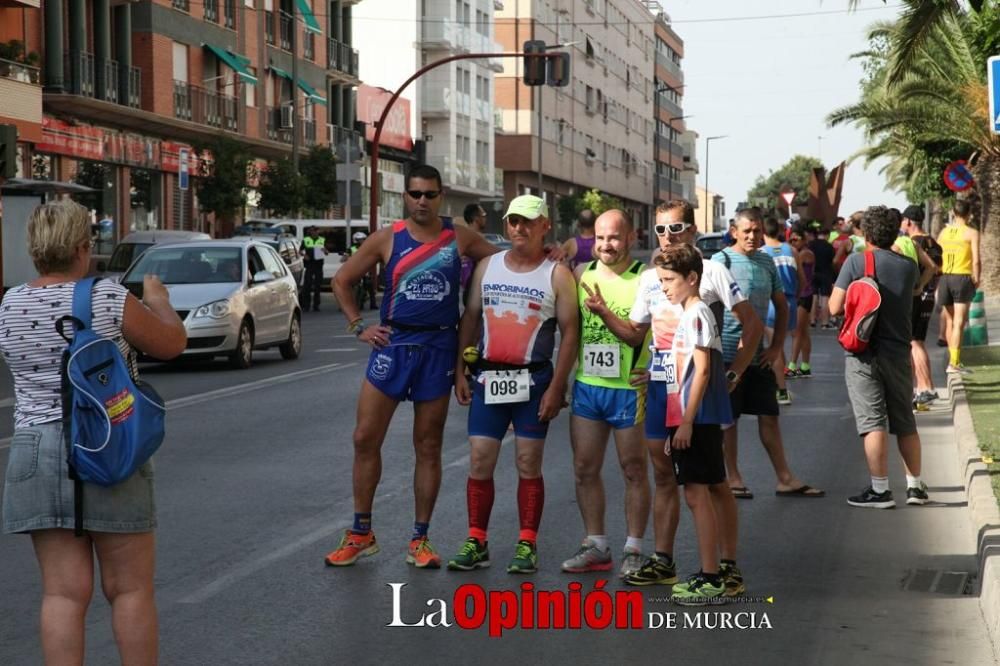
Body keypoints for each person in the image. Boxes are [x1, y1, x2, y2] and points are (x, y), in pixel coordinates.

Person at [0, 199, 186, 664]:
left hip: (36, 450)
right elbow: (170, 343)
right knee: (128, 589)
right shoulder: (106, 296)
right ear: (83, 247)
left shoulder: (10, 302)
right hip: (106, 445)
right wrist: (158, 299)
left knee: (62, 594)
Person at [325, 164, 498, 569]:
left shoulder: (460, 237)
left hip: (439, 345)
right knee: (365, 438)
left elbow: (503, 265)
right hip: (393, 345)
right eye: (415, 193)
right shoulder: (389, 238)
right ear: (405, 195)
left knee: (428, 445)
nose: (422, 200)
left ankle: (420, 539)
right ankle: (361, 532)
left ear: (441, 197)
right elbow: (342, 280)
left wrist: (546, 257)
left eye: (430, 194)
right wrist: (358, 327)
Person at [590, 200, 761, 595]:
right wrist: (603, 315)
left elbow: (751, 328)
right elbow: (636, 332)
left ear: (693, 229)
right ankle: (663, 560)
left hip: (697, 394)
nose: (668, 237)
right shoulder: (654, 277)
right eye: (661, 230)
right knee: (667, 473)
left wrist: (734, 372)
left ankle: (725, 566)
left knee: (711, 481)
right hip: (660, 390)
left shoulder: (710, 272)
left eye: (676, 228)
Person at [448, 195, 578, 573]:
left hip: (534, 381)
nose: (519, 229)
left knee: (527, 462)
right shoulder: (488, 266)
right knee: (479, 460)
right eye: (513, 222)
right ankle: (477, 540)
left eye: (527, 222)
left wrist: (557, 387)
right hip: (489, 378)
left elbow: (571, 334)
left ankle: (527, 543)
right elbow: (470, 318)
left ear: (544, 226)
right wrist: (460, 370)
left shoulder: (558, 274)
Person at [560, 209, 650, 578]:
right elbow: (570, 331)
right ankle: (596, 544)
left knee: (633, 470)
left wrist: (657, 366)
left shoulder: (646, 279)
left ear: (630, 238)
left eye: (613, 237)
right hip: (589, 387)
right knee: (584, 468)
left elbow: (646, 331)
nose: (606, 245)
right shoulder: (582, 275)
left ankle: (634, 548)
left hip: (628, 389)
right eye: (599, 238)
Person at [714, 208, 825, 500]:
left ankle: (785, 478)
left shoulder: (766, 260)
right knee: (729, 421)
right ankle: (733, 477)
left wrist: (776, 347)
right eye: (746, 230)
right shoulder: (720, 260)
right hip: (727, 355)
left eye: (756, 230)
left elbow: (783, 303)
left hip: (759, 355)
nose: (752, 236)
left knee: (769, 415)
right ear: (734, 232)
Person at [651, 243, 734, 604]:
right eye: (660, 280)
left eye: (669, 280)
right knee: (700, 493)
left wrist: (685, 422)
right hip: (688, 418)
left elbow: (701, 371)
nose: (664, 287)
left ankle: (710, 575)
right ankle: (712, 571)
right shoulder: (688, 312)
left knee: (697, 495)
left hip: (697, 419)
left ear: (692, 278)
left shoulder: (698, 312)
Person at [829, 205, 928, 508]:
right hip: (899, 352)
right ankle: (915, 487)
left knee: (873, 422)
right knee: (905, 421)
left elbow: (834, 307)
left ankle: (881, 489)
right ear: (895, 230)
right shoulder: (908, 266)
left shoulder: (856, 262)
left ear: (867, 233)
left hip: (864, 354)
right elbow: (913, 289)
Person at [894, 205, 941, 409]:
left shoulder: (911, 243)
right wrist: (926, 286)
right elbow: (936, 268)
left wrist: (918, 285)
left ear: (909, 222)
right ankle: (926, 387)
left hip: (917, 296)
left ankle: (924, 389)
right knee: (918, 342)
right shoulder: (933, 241)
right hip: (929, 296)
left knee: (915, 343)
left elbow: (929, 267)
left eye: (903, 221)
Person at [936, 200, 980, 374]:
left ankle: (952, 360)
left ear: (953, 213)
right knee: (960, 322)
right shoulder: (971, 233)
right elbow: (976, 259)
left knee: (950, 321)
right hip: (962, 277)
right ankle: (954, 363)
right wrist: (977, 277)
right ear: (969, 214)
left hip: (946, 277)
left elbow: (936, 255)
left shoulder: (944, 232)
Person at [761, 217, 802, 405]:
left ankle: (782, 390)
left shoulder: (760, 253)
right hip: (790, 301)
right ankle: (782, 381)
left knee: (774, 348)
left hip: (770, 304)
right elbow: (802, 279)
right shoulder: (792, 251)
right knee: (779, 343)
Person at [786, 223, 815, 378]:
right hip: (803, 294)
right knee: (803, 332)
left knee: (797, 332)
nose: (793, 243)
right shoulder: (799, 253)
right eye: (791, 240)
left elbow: (796, 273)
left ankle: (792, 365)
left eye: (796, 240)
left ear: (804, 240)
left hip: (804, 295)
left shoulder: (804, 254)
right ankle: (805, 365)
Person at [808, 222, 835, 328]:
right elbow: (833, 261)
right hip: (826, 273)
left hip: (813, 273)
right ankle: (825, 323)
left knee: (814, 297)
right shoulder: (829, 246)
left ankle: (812, 321)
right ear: (827, 235)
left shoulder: (811, 245)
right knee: (825, 298)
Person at [299, 226, 326, 312]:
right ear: (310, 232)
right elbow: (300, 251)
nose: (314, 232)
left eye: (316, 231)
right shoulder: (306, 240)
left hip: (318, 265)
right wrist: (304, 255)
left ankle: (316, 305)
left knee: (318, 286)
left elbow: (326, 251)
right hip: (309, 265)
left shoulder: (322, 240)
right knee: (307, 286)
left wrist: (325, 251)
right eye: (312, 231)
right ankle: (306, 306)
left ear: (318, 232)